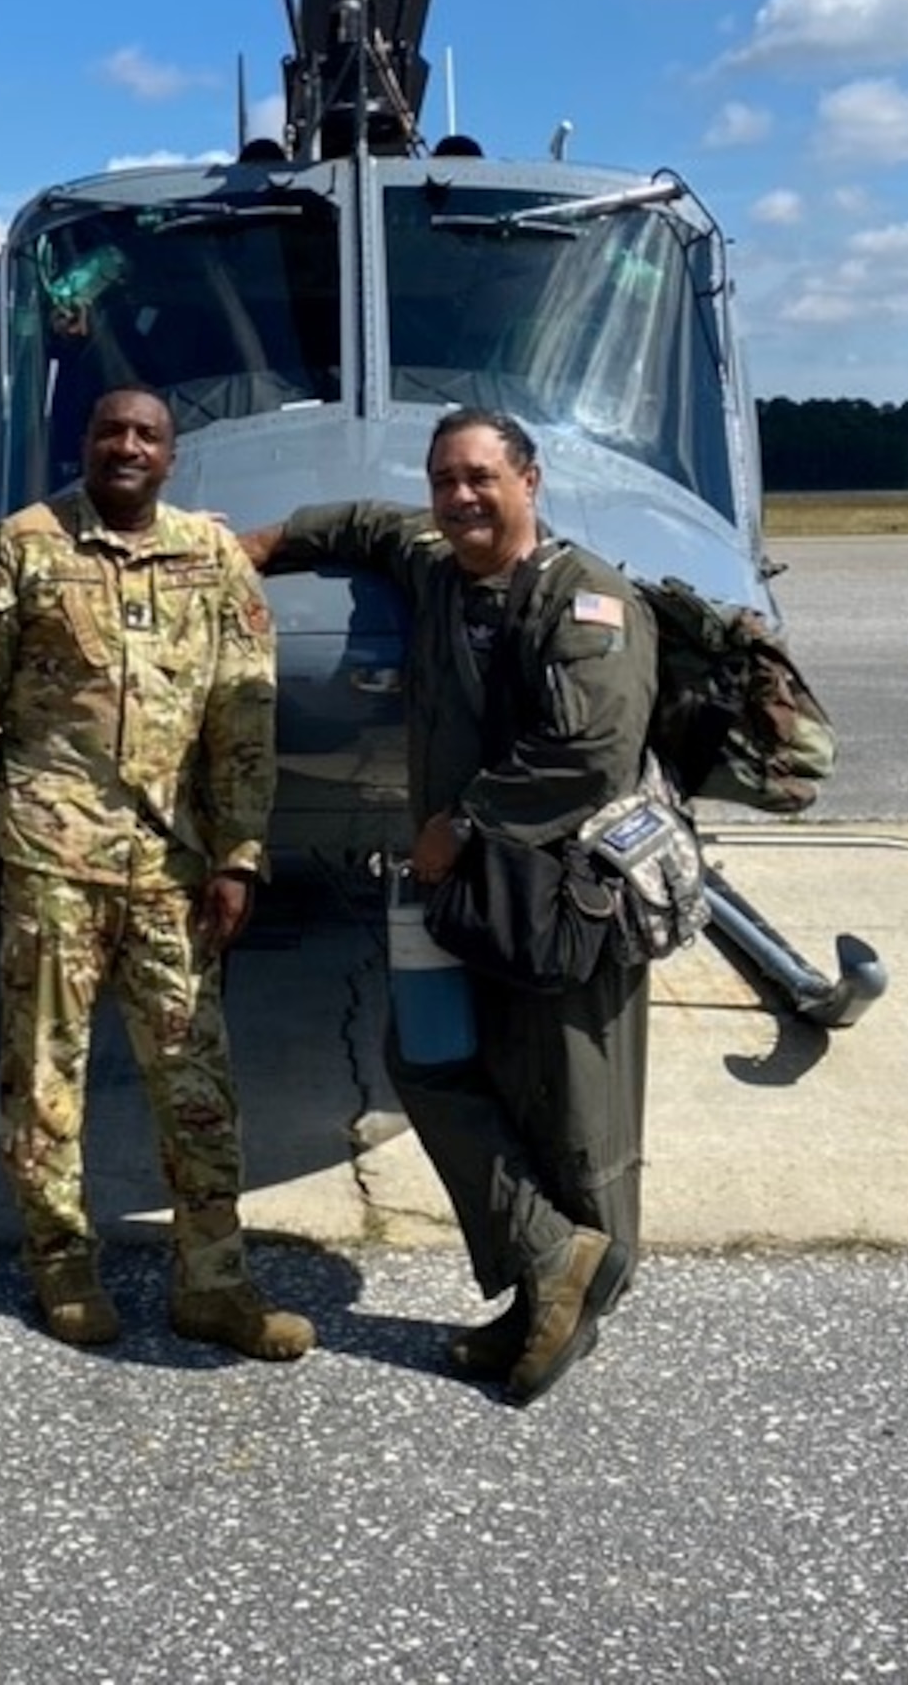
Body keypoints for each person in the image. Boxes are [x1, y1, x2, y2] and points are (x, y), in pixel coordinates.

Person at [241, 408, 657, 1405]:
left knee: (566, 1104)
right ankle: (549, 1262)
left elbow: (590, 755)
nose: (461, 496)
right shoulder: (434, 565)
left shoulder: (588, 601)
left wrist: (460, 822)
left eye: (480, 477)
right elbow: (365, 525)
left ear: (528, 479)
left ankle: (554, 1302)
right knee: (426, 1061)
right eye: (444, 480)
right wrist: (263, 540)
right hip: (452, 891)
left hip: (558, 899)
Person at [0, 386, 314, 1361]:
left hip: (167, 862)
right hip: (49, 852)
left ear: (172, 456)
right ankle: (62, 1265)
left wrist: (237, 851)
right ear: (88, 443)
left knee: (196, 1077)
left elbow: (244, 719)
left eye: (147, 434)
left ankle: (213, 1281)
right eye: (111, 431)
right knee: (44, 1079)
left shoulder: (213, 556)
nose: (128, 446)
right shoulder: (22, 546)